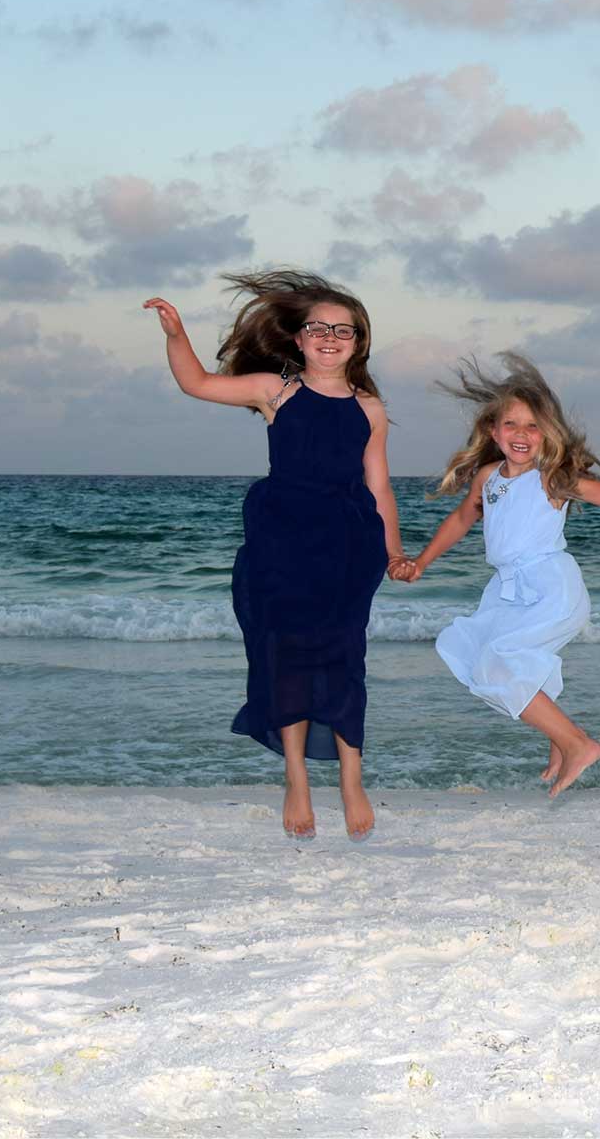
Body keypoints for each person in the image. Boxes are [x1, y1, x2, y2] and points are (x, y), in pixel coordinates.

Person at [145, 271, 408, 840]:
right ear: (299, 338)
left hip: (347, 544)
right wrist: (175, 333)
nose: (330, 337)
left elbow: (380, 487)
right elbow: (196, 382)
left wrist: (394, 553)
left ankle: (352, 777)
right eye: (319, 327)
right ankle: (295, 777)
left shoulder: (370, 409)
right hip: (282, 539)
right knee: (285, 655)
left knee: (344, 656)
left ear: (359, 341)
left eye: (344, 330)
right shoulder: (276, 390)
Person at [394, 354, 600, 795]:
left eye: (533, 427)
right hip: (509, 591)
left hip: (550, 586)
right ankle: (560, 739)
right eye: (511, 425)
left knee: (499, 663)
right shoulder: (489, 477)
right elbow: (460, 520)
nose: (521, 435)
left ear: (546, 433)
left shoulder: (553, 477)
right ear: (493, 431)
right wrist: (421, 561)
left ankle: (578, 744)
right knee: (477, 654)